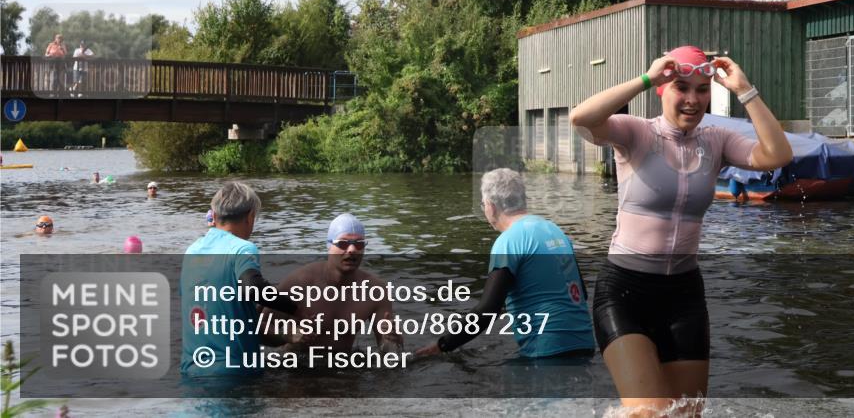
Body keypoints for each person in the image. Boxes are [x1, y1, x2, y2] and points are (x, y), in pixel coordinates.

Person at [571, 46, 792, 415]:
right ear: (663, 90)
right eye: (681, 87)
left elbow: (778, 154)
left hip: (683, 297)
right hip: (625, 292)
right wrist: (645, 79)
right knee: (650, 413)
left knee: (686, 414)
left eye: (702, 89)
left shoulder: (717, 140)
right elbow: (581, 117)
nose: (692, 99)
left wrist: (745, 91)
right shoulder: (637, 134)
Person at [415, 169, 594, 359]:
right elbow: (580, 292)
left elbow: (486, 311)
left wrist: (442, 344)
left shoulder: (508, 241)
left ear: (491, 206)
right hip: (585, 344)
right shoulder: (554, 230)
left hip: (546, 351)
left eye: (483, 204)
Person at [180, 182, 301, 376]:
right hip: (235, 372)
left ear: (215, 215)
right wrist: (295, 308)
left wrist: (286, 335)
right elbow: (254, 287)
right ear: (250, 216)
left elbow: (229, 318)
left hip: (192, 370)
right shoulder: (242, 248)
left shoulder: (192, 251)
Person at [265, 214, 403, 359]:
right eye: (343, 243)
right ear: (329, 245)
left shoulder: (375, 290)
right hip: (296, 368)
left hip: (344, 370)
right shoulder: (298, 282)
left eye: (359, 244)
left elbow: (389, 353)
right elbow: (258, 329)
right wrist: (284, 335)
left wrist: (394, 339)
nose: (352, 250)